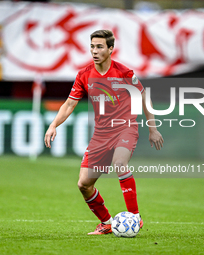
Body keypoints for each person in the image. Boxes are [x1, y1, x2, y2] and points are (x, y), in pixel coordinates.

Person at [44, 30, 164, 235]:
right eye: (92, 46)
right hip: (101, 135)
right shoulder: (84, 75)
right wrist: (54, 124)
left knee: (119, 163)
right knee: (83, 184)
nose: (94, 51)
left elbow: (144, 99)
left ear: (110, 49)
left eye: (99, 47)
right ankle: (107, 223)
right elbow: (69, 104)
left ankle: (134, 216)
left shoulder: (124, 73)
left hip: (125, 127)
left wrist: (153, 129)